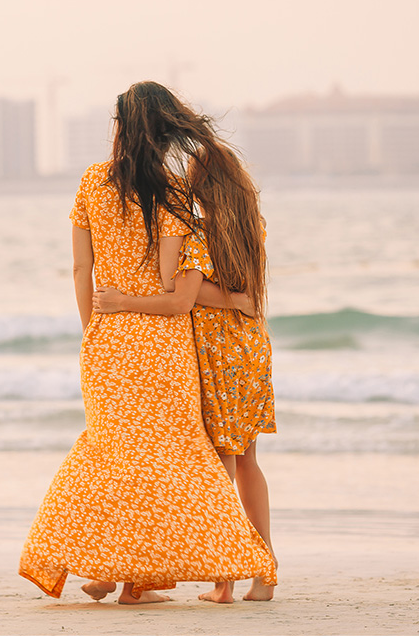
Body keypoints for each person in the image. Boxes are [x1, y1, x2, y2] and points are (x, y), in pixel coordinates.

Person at [18, 81, 275, 604]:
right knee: (167, 460)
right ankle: (169, 574)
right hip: (161, 343)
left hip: (107, 340)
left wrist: (95, 328)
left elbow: (79, 268)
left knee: (111, 455)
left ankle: (120, 574)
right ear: (166, 131)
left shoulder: (92, 182)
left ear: (120, 127)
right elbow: (167, 284)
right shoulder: (174, 194)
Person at [93, 144, 277, 603]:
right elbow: (250, 299)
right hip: (251, 351)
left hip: (216, 355)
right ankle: (264, 576)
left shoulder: (197, 234)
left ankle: (225, 581)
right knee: (248, 460)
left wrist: (123, 301)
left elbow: (185, 297)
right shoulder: (251, 229)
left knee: (221, 467)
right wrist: (236, 301)